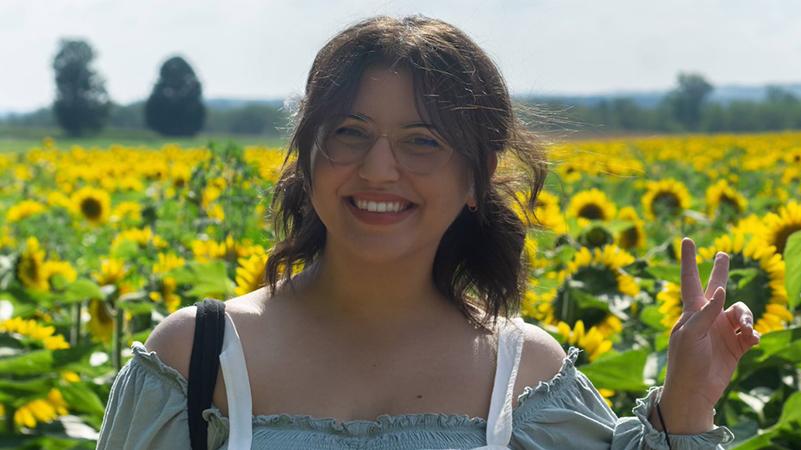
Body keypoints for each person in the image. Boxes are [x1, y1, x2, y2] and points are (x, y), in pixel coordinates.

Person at [96, 14, 760, 450]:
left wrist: (687, 402)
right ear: (307, 157)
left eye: (422, 141)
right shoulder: (196, 359)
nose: (378, 169)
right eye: (350, 132)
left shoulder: (524, 375)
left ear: (476, 178)